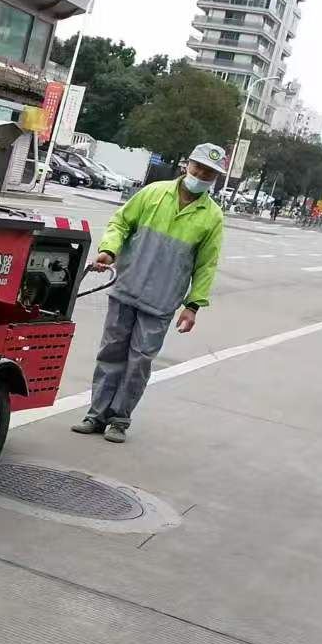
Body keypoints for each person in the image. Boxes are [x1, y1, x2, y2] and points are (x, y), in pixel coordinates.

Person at [72, 142, 226, 443]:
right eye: (198, 168)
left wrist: (193, 306)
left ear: (215, 178)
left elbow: (206, 264)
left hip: (162, 301)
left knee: (139, 362)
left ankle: (119, 419)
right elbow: (120, 222)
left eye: (208, 173)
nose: (200, 175)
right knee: (111, 354)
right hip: (127, 288)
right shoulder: (153, 193)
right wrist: (109, 250)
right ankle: (96, 414)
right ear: (187, 165)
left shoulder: (212, 217)